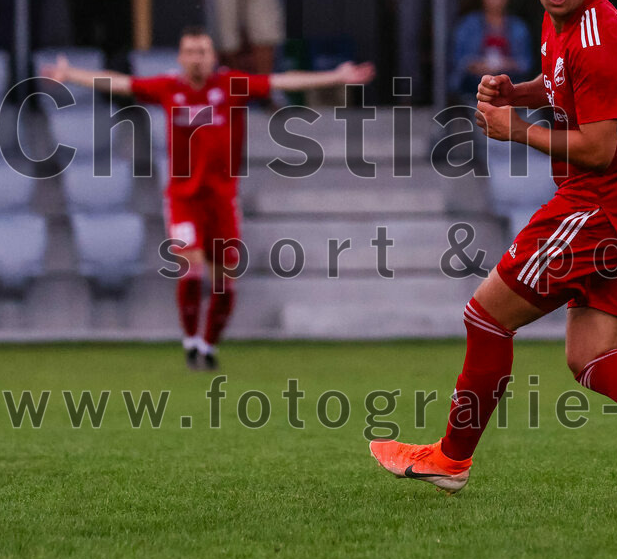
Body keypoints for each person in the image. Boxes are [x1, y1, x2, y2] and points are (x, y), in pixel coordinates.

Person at [370, 0, 617, 507]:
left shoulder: (595, 39)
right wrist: (519, 89)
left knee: (486, 317)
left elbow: (598, 146)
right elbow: (564, 81)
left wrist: (517, 129)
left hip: (602, 206)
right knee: (591, 356)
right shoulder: (567, 22)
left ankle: (451, 459)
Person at [43, 26, 375, 370]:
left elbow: (282, 81)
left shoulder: (232, 85)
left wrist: (335, 76)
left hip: (221, 201)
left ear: (213, 57)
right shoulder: (169, 88)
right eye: (190, 52)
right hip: (184, 199)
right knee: (190, 270)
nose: (196, 59)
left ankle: (207, 345)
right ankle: (190, 341)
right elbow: (121, 83)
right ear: (180, 57)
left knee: (224, 284)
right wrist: (72, 75)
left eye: (202, 52)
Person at [450, 0, 531, 103]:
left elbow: (525, 63)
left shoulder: (518, 27)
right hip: (474, 87)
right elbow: (459, 60)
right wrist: (477, 66)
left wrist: (506, 65)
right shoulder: (468, 24)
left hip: (509, 86)